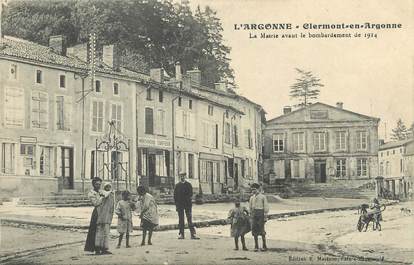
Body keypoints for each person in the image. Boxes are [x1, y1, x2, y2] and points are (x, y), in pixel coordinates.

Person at [84, 178, 115, 255]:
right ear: (93, 184)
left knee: (105, 230)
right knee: (97, 231)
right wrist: (102, 197)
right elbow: (96, 203)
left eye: (99, 184)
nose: (98, 186)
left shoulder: (102, 191)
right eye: (96, 184)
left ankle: (104, 248)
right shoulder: (91, 193)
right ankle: (97, 249)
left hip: (104, 212)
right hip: (97, 213)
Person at [174, 173, 200, 240]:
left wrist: (186, 200)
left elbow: (190, 194)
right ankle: (182, 234)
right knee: (181, 220)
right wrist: (177, 205)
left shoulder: (188, 185)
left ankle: (192, 234)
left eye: (183, 176)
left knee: (189, 220)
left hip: (187, 205)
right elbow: (175, 197)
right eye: (181, 176)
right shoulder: (177, 186)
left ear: (185, 177)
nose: (182, 177)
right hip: (180, 205)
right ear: (179, 177)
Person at [249, 183, 269, 252]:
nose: (253, 191)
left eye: (254, 189)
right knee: (254, 230)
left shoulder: (263, 197)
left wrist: (265, 216)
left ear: (258, 189)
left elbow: (266, 207)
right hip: (254, 214)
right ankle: (256, 246)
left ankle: (264, 246)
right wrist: (250, 215)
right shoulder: (252, 198)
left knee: (261, 230)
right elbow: (250, 207)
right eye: (252, 189)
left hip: (260, 214)